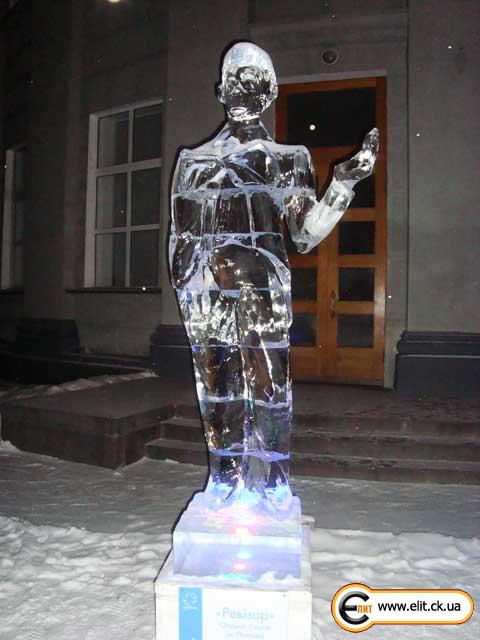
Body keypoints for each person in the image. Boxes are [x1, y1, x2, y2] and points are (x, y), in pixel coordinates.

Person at [169, 42, 378, 516]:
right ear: (221, 91)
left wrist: (343, 183)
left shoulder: (289, 158)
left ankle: (275, 482)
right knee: (218, 385)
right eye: (233, 78)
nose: (241, 87)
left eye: (252, 79)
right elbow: (180, 238)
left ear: (269, 92)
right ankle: (224, 477)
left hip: (264, 291)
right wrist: (189, 293)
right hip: (208, 294)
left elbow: (304, 235)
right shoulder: (193, 161)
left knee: (269, 384)